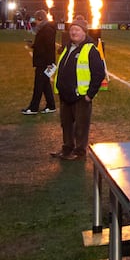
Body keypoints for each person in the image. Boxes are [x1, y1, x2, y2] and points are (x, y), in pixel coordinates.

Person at [50, 17, 105, 160]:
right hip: (65, 95)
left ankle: (79, 152)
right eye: (72, 29)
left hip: (81, 96)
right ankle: (67, 149)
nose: (73, 32)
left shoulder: (90, 49)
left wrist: (89, 94)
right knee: (66, 125)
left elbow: (99, 74)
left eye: (77, 29)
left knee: (81, 126)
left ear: (84, 32)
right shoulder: (68, 47)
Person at [21, 9, 57, 115]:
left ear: (40, 18)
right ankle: (51, 106)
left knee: (38, 86)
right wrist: (33, 45)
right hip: (43, 61)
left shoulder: (47, 29)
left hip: (44, 62)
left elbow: (49, 47)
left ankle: (33, 108)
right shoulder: (45, 29)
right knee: (45, 85)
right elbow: (42, 45)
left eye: (36, 19)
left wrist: (50, 63)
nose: (35, 22)